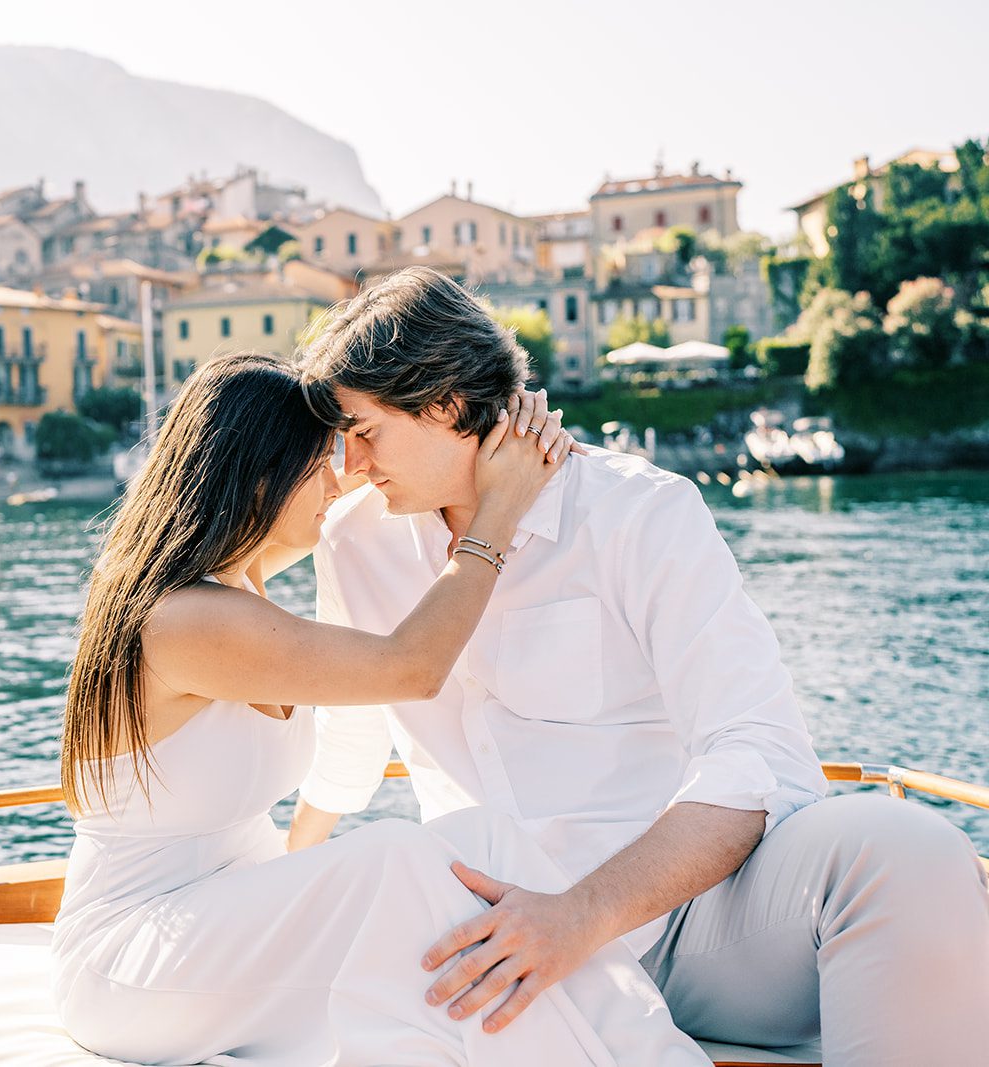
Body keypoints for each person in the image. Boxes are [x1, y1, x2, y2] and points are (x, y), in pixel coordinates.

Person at [287, 266, 989, 1063]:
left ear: (446, 404)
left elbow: (756, 751)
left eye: (365, 428)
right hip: (483, 949)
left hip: (687, 929)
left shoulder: (638, 513)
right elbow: (347, 737)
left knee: (905, 849)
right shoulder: (355, 541)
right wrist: (277, 888)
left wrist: (580, 914)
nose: (349, 459)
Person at [52, 352, 708, 1066]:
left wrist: (477, 439)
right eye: (322, 459)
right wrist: (500, 507)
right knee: (397, 856)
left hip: (227, 929)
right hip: (135, 958)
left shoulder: (246, 592)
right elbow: (412, 667)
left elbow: (337, 745)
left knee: (481, 843)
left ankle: (653, 1053)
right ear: (258, 470)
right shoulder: (181, 618)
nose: (346, 476)